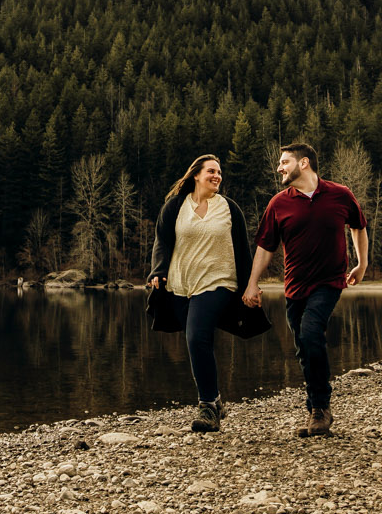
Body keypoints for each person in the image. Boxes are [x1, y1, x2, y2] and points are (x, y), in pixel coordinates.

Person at [242, 142, 366, 437]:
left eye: (284, 162)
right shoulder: (279, 203)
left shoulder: (339, 194)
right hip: (294, 286)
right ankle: (314, 408)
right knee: (303, 347)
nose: (279, 168)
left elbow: (358, 226)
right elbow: (265, 247)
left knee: (311, 332)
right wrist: (252, 282)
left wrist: (361, 264)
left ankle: (321, 408)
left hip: (328, 282)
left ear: (304, 163)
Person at [148, 154, 254, 433]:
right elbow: (162, 242)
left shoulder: (229, 209)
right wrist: (157, 272)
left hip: (219, 282)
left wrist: (250, 285)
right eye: (211, 171)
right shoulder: (175, 207)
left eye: (219, 172)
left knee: (196, 336)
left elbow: (243, 250)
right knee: (198, 341)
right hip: (181, 285)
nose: (217, 176)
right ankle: (216, 400)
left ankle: (207, 407)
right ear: (196, 174)